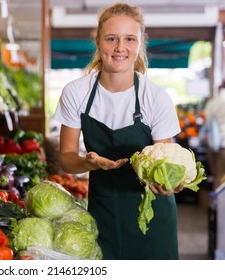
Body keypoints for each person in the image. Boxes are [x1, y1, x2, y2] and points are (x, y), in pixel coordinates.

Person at [53, 2, 183, 260]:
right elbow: (66, 159)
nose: (120, 47)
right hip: (104, 210)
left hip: (152, 214)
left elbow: (165, 161)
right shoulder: (76, 93)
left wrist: (169, 181)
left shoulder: (155, 98)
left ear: (139, 44)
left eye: (129, 39)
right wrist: (89, 163)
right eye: (112, 38)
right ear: (99, 42)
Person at [203, 83, 225, 189]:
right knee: (222, 177)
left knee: (217, 175)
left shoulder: (214, 101)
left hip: (212, 143)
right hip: (223, 143)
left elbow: (205, 119)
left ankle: (215, 204)